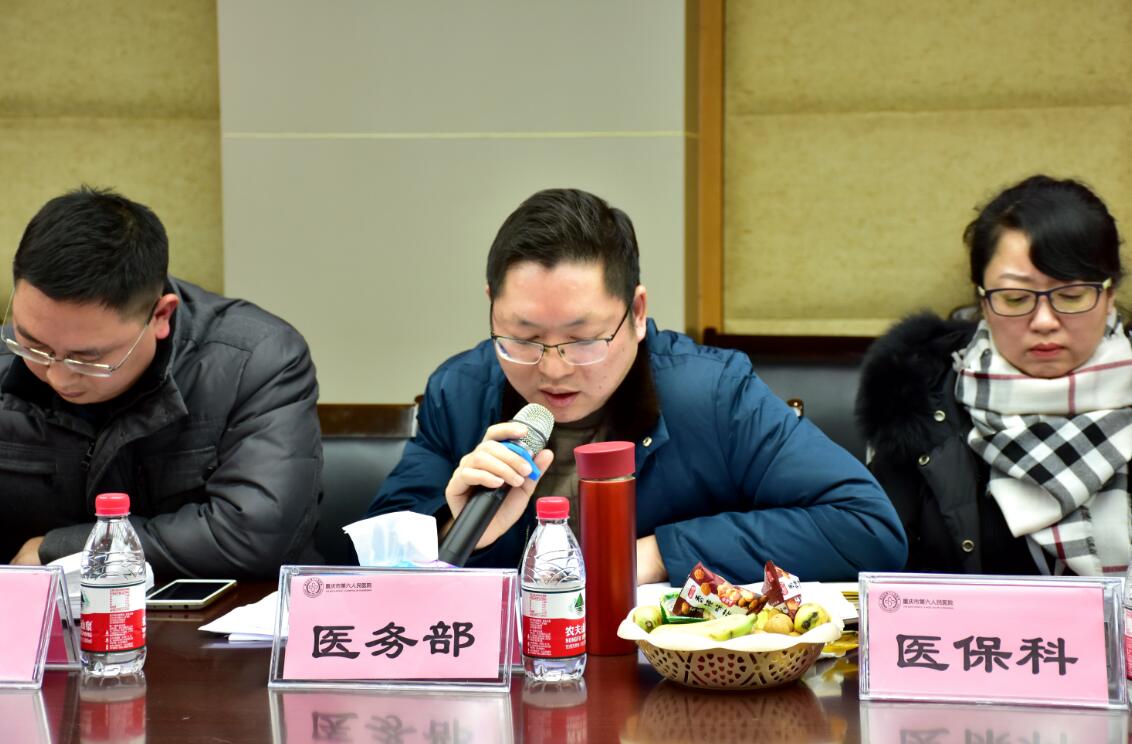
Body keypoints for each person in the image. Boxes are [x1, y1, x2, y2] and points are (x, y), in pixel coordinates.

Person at [369, 188, 907, 584]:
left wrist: (656, 556)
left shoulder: (712, 395)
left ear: (638, 312)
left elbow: (867, 529)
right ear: (492, 306)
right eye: (523, 338)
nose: (553, 369)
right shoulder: (461, 392)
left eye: (584, 339)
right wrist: (455, 530)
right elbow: (365, 570)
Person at [2, 187, 322, 578]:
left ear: (160, 316)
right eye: (34, 345)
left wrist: (62, 549)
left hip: (223, 611)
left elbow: (253, 535)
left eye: (88, 358)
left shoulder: (254, 361)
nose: (59, 375)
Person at [857, 175, 1130, 576]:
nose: (1044, 321)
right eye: (1015, 298)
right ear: (983, 300)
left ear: (1109, 295)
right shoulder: (918, 403)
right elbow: (884, 571)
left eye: (1071, 296)